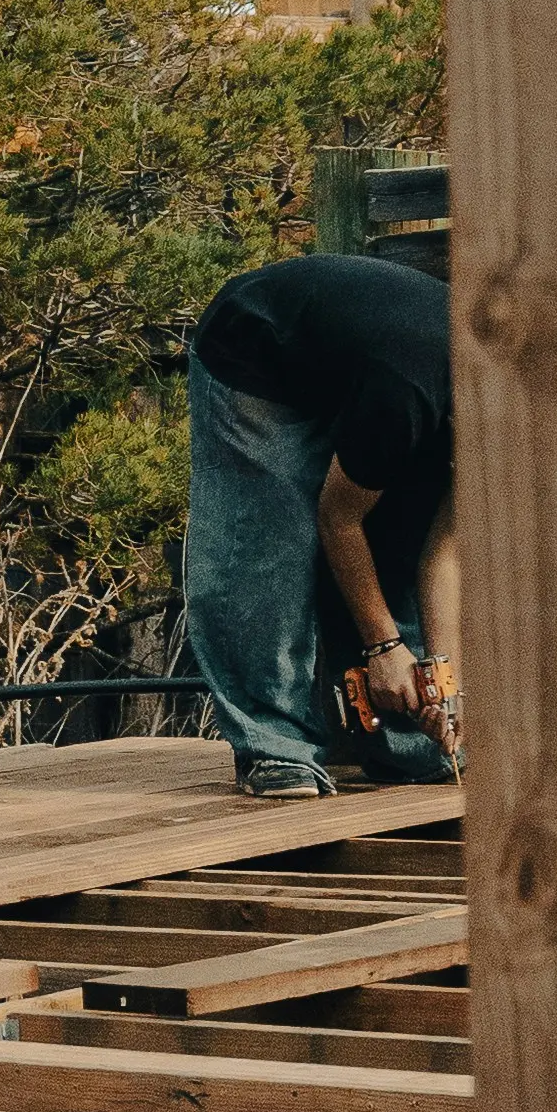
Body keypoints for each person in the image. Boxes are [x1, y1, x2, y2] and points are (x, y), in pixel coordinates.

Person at [182, 248, 463, 797]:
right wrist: (385, 649)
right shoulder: (408, 396)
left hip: (359, 372)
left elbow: (443, 558)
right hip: (257, 348)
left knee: (395, 549)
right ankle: (275, 747)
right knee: (270, 545)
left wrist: (446, 684)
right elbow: (338, 519)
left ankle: (408, 741)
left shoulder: (500, 428)